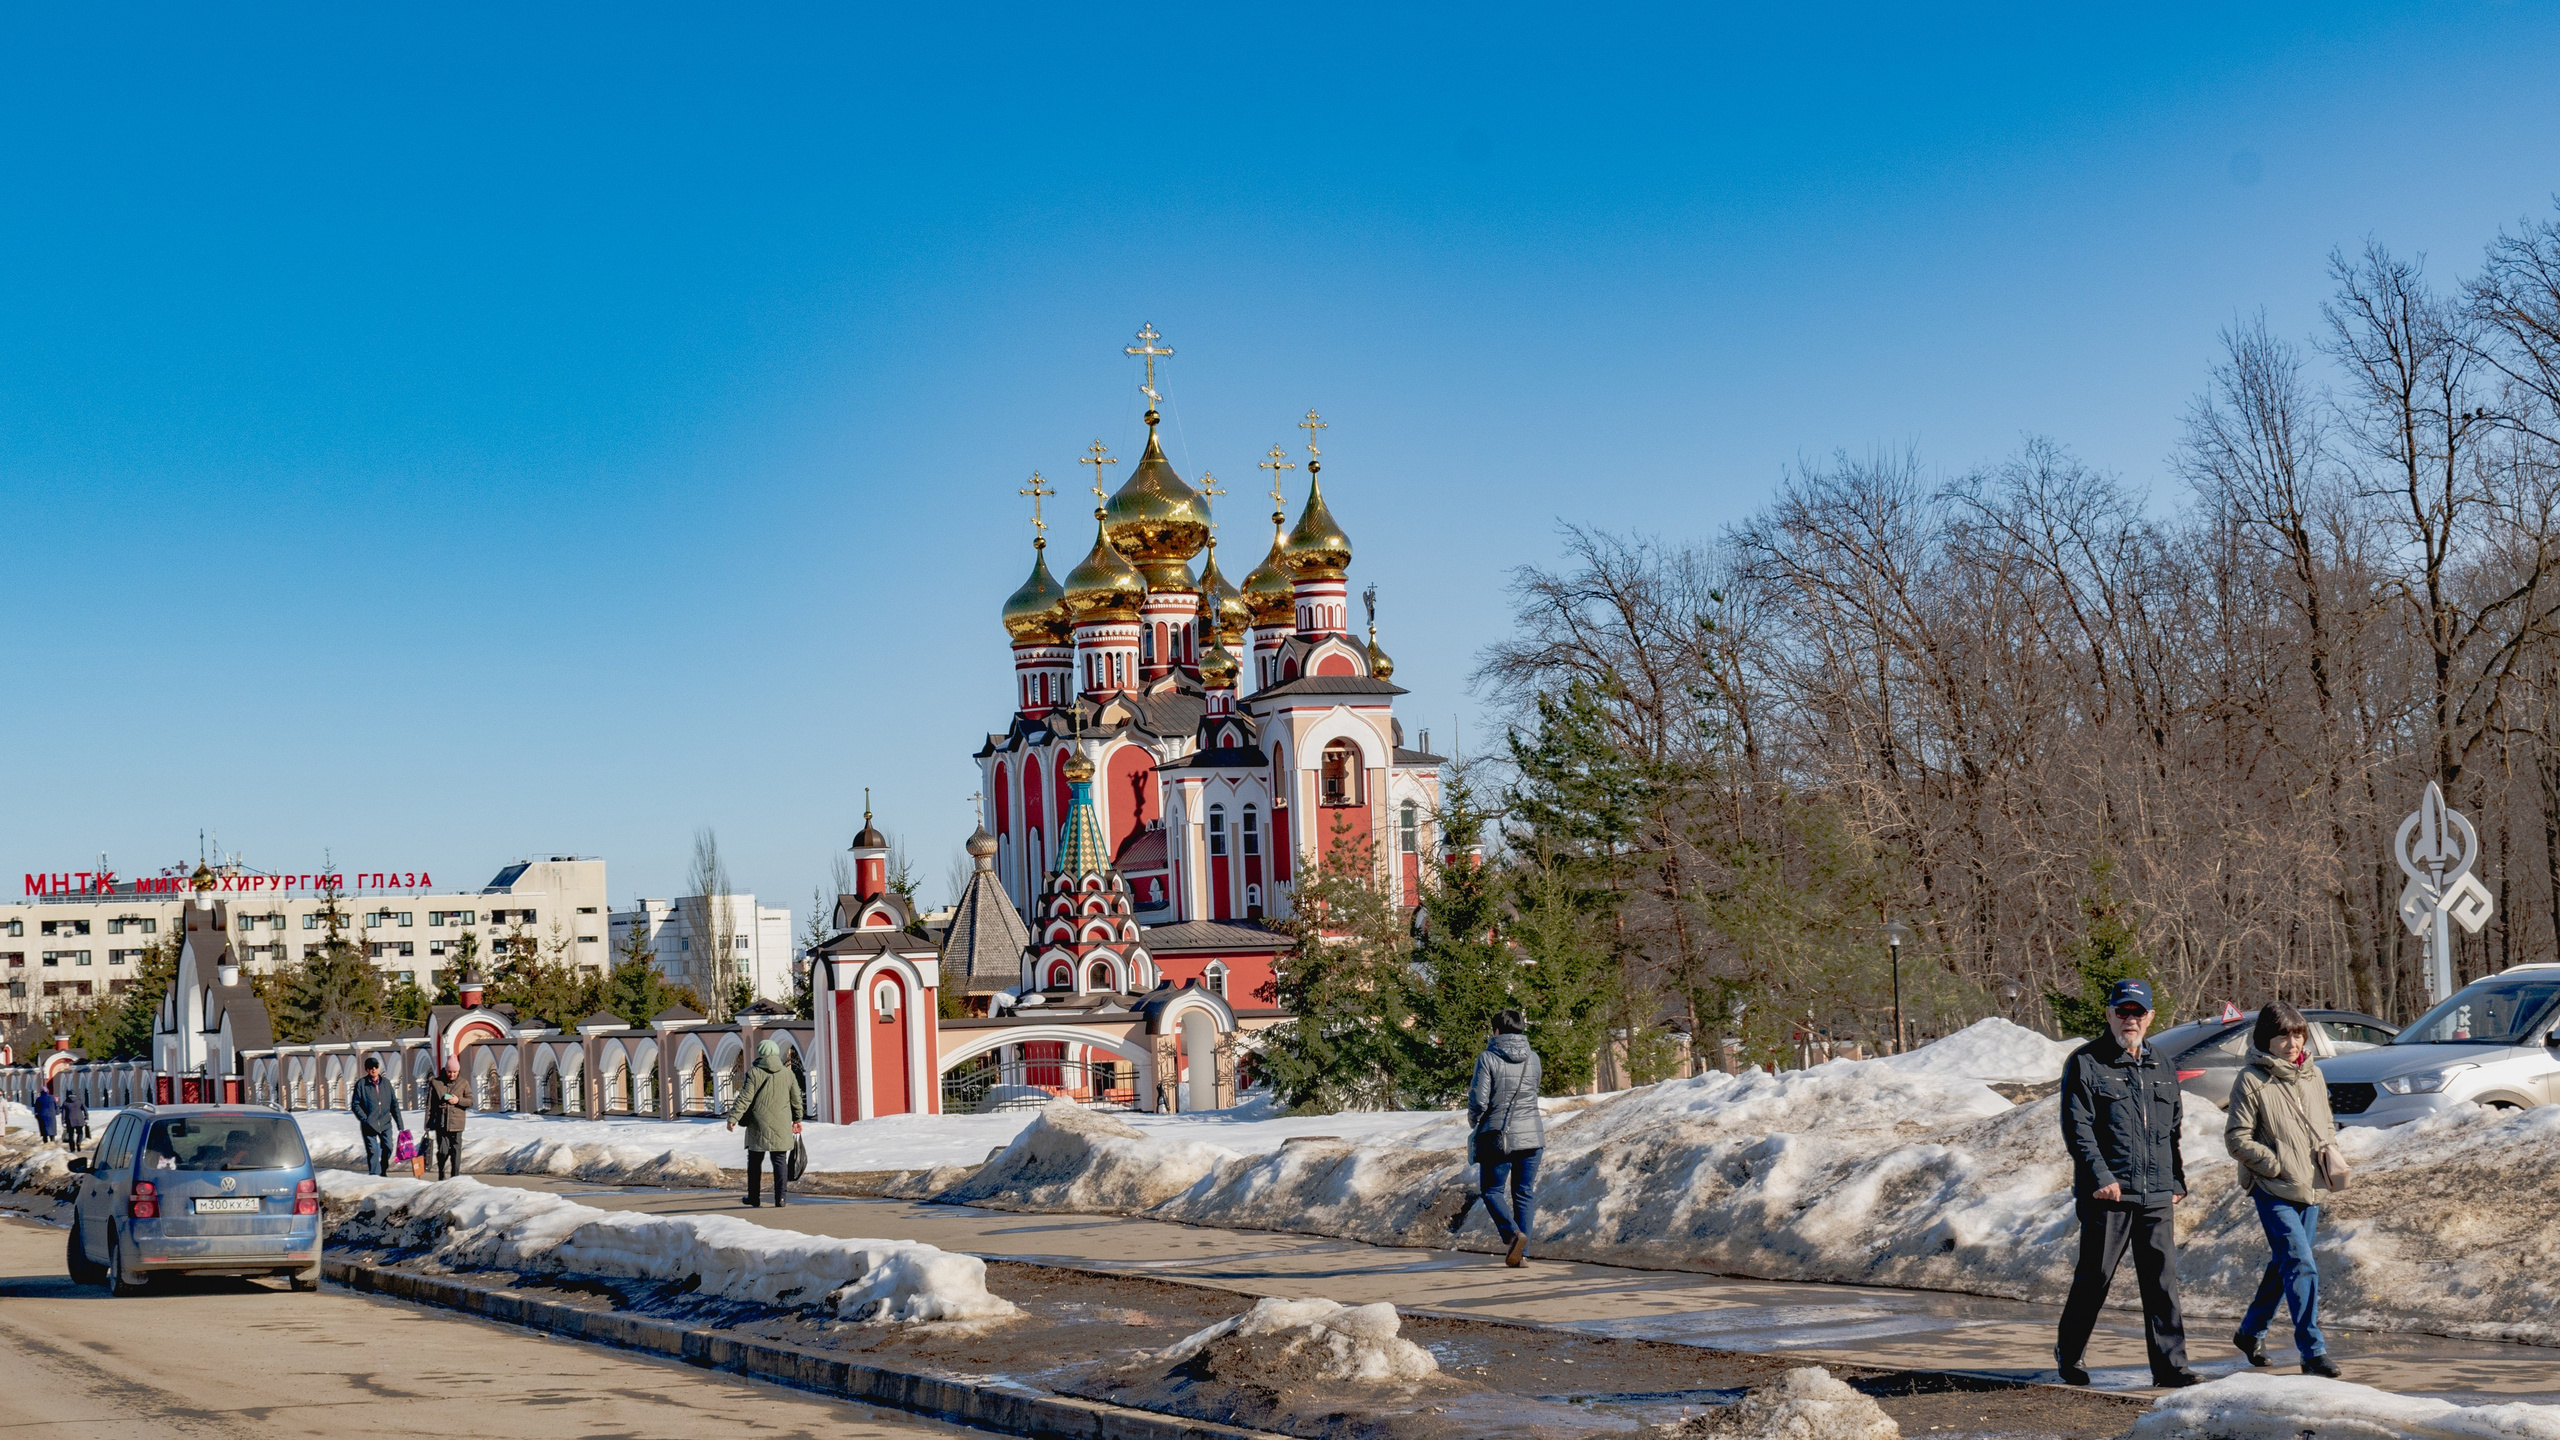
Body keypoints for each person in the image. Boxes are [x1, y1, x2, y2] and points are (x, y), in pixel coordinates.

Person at [2056, 978, 2202, 1388]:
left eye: (2138, 1013)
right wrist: (2100, 1178)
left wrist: (2175, 1179)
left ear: (2151, 1017)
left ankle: (2171, 1367)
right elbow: (2078, 1129)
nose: (2130, 1020)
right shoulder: (2087, 1062)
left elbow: (2171, 1128)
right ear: (2109, 1014)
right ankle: (2070, 1354)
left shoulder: (2163, 1065)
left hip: (2156, 1192)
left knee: (2161, 1282)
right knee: (2095, 1277)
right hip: (2110, 1194)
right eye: (2123, 1012)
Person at [2225, 1001, 2344, 1378]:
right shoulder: (2251, 1080)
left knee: (2283, 1265)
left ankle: (2250, 1332)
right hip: (2273, 1189)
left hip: (2311, 1188)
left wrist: (2328, 1154)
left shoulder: (2313, 1075)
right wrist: (2274, 1166)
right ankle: (2312, 1350)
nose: (2292, 1043)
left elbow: (2326, 1125)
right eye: (2283, 1035)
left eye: (2297, 1034)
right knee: (2300, 1263)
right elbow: (2236, 1139)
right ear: (2267, 1039)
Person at [1467, 1008, 1545, 1268]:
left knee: (1491, 1191)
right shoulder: (1533, 1058)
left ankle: (1513, 1235)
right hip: (1533, 1136)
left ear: (1496, 1030)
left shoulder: (1487, 1058)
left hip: (1498, 1135)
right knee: (1524, 1194)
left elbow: (1479, 1099)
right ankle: (1522, 1255)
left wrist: (1473, 1120)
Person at [726, 1039, 804, 1207]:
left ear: (761, 1053)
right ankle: (780, 1198)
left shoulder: (754, 1073)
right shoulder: (788, 1074)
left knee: (754, 1161)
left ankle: (754, 1197)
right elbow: (796, 1099)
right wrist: (797, 1119)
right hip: (782, 1123)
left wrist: (734, 1118)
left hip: (758, 1123)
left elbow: (745, 1098)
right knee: (779, 1160)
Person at [349, 1054, 403, 1177]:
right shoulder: (362, 1084)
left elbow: (394, 1104)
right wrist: (365, 1119)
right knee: (373, 1151)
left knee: (388, 1147)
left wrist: (400, 1125)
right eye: (370, 1067)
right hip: (369, 1124)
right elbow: (355, 1104)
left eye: (375, 1067)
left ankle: (383, 1169)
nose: (373, 1069)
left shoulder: (386, 1083)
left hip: (385, 1122)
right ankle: (374, 1175)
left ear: (378, 1068)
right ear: (367, 1070)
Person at [425, 1058, 472, 1181]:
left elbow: (470, 1101)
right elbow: (430, 1104)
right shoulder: (436, 1083)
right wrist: (428, 1122)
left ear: (458, 1071)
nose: (452, 1074)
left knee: (456, 1151)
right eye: (450, 1072)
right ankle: (441, 1172)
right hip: (441, 1122)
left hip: (457, 1122)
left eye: (455, 1072)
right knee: (443, 1151)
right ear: (445, 1070)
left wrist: (458, 1101)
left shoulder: (464, 1083)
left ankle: (455, 1176)